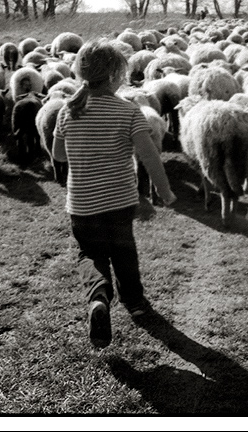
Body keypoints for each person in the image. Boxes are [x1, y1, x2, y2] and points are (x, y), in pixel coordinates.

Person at [52, 40, 176, 350]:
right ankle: (134, 302)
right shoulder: (128, 111)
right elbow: (150, 157)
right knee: (124, 252)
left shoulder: (68, 111)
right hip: (121, 201)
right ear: (116, 76)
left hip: (81, 204)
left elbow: (58, 155)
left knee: (91, 256)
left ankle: (98, 298)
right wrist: (165, 191)